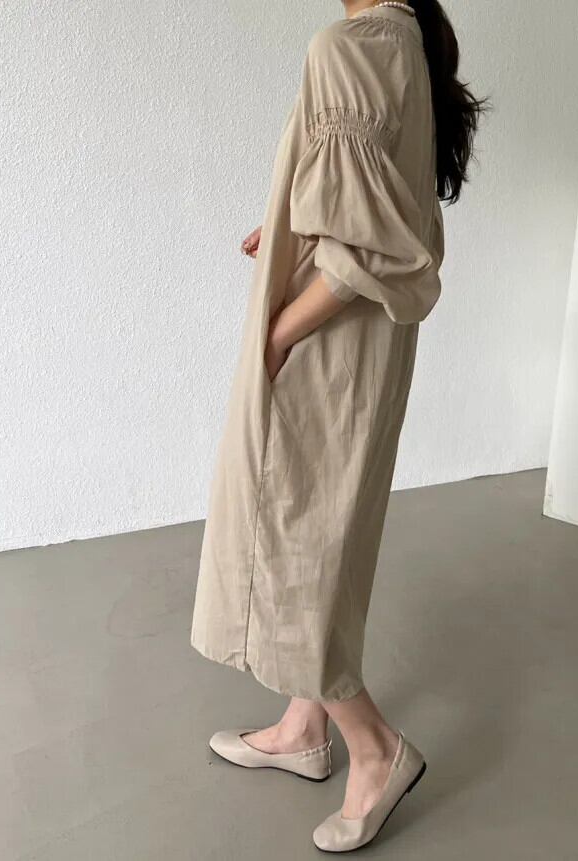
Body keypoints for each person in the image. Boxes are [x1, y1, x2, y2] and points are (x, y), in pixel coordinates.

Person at [191, 0, 487, 851]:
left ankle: (375, 747)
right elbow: (376, 207)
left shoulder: (350, 45)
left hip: (327, 344)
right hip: (364, 346)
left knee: (291, 538)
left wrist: (280, 334)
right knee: (318, 531)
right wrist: (293, 223)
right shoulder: (403, 44)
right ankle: (303, 727)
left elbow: (373, 248)